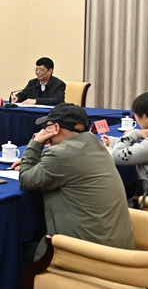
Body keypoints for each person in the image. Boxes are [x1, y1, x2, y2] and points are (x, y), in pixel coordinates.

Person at [15, 103, 135, 261]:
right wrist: (36, 163)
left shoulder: (60, 155)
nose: (44, 131)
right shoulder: (95, 144)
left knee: (16, 251)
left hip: (88, 253)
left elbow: (26, 180)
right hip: (116, 245)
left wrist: (36, 143)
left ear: (56, 128)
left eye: (47, 127)